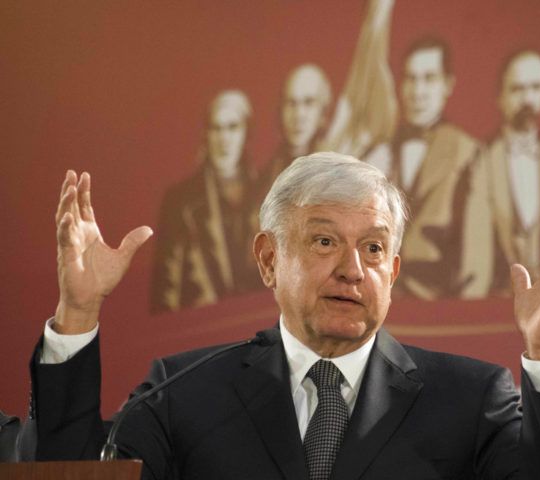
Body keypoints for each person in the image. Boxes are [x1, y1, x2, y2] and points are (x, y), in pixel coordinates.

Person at [22, 153, 540, 479]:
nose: (354, 269)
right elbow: (66, 477)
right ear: (269, 259)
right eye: (324, 242)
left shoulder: (470, 398)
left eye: (374, 249)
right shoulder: (181, 392)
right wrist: (78, 311)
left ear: (393, 272)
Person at [366, 37, 487, 300]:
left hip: (440, 306)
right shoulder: (378, 154)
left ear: (448, 85)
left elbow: (476, 260)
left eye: (429, 79)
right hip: (380, 304)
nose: (417, 91)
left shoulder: (468, 152)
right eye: (410, 79)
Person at [149, 90, 266, 313]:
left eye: (233, 127)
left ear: (246, 134)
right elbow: (167, 291)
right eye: (216, 128)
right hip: (203, 332)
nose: (224, 138)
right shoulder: (180, 201)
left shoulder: (268, 191)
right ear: (206, 134)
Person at [262, 0, 397, 192]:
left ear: (323, 113)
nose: (298, 114)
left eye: (308, 103)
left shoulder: (339, 157)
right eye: (291, 103)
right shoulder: (267, 175)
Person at [473, 50, 540, 295]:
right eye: (517, 89)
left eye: (536, 88)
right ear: (500, 96)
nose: (528, 99)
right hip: (501, 300)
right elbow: (475, 251)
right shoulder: (482, 161)